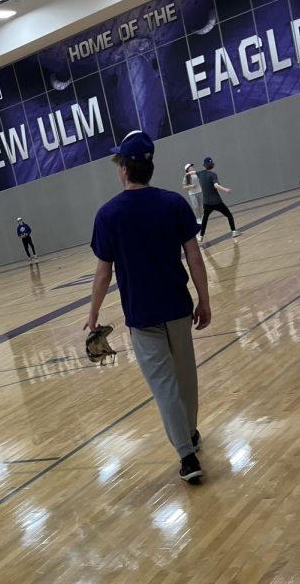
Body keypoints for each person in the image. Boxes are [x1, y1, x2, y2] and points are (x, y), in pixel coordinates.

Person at [84, 130, 211, 484]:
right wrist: (204, 299)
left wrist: (93, 312)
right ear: (150, 167)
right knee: (185, 376)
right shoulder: (174, 203)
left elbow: (103, 270)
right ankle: (191, 432)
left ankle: (187, 455)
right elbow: (194, 257)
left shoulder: (108, 214)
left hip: (142, 315)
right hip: (178, 306)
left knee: (164, 385)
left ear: (124, 168)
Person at [196, 157, 240, 242]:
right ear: (212, 165)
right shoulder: (213, 174)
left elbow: (193, 172)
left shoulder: (200, 173)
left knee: (205, 219)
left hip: (207, 203)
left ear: (204, 165)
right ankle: (234, 231)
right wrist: (225, 189)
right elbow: (216, 185)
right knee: (229, 215)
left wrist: (188, 173)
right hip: (216, 202)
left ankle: (201, 236)